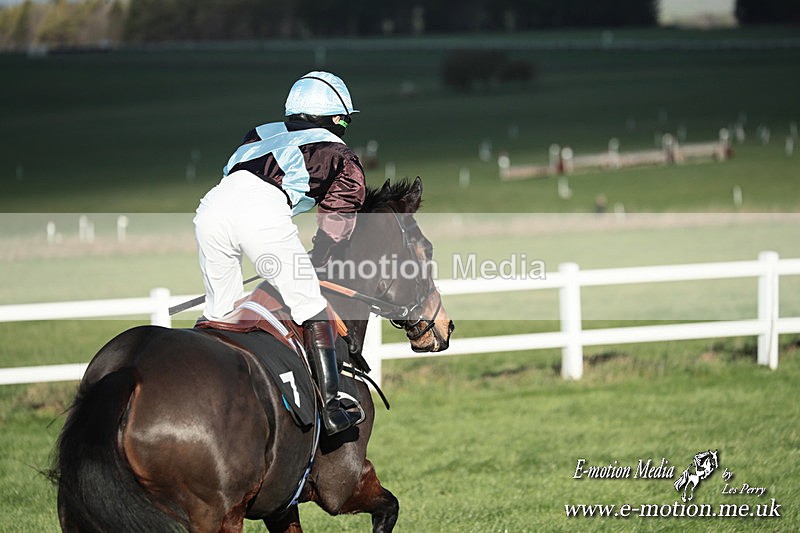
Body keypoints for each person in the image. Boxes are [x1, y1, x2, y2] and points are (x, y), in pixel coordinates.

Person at [194, 71, 365, 435]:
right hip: (261, 213)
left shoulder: (258, 132)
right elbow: (336, 222)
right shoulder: (341, 155)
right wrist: (317, 259)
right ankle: (332, 406)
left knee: (219, 313)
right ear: (336, 119)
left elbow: (235, 178)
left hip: (211, 208)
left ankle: (199, 384)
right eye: (345, 121)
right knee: (310, 304)